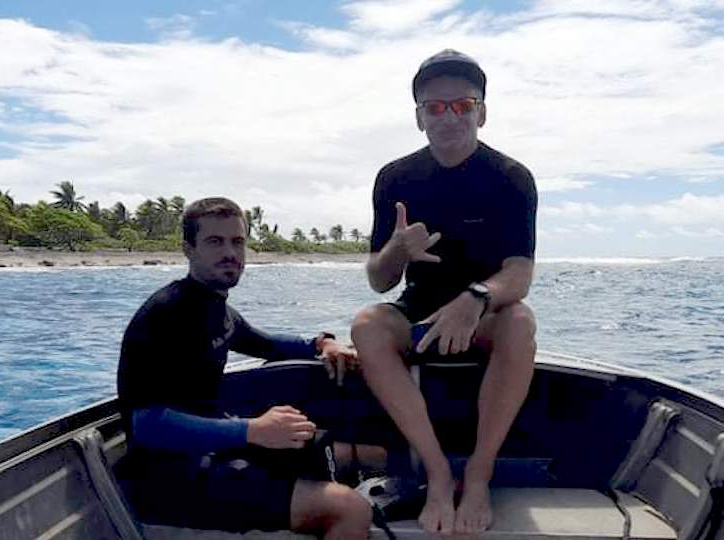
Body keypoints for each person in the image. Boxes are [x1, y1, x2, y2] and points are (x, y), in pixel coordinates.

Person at [351, 49, 538, 534]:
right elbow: (380, 280)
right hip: (419, 314)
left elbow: (519, 273)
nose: (449, 116)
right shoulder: (395, 179)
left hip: (484, 316)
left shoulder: (511, 179)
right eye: (435, 107)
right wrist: (396, 250)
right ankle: (436, 472)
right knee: (367, 325)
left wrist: (475, 298)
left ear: (482, 112)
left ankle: (478, 474)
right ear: (420, 118)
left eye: (463, 105)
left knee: (521, 320)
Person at [117, 197, 372, 538]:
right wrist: (252, 430)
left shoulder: (216, 309)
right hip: (165, 476)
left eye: (237, 242)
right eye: (215, 241)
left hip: (209, 449)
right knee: (350, 509)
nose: (230, 252)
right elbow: (147, 426)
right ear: (188, 249)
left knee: (346, 450)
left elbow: (268, 343)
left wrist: (322, 343)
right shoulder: (167, 313)